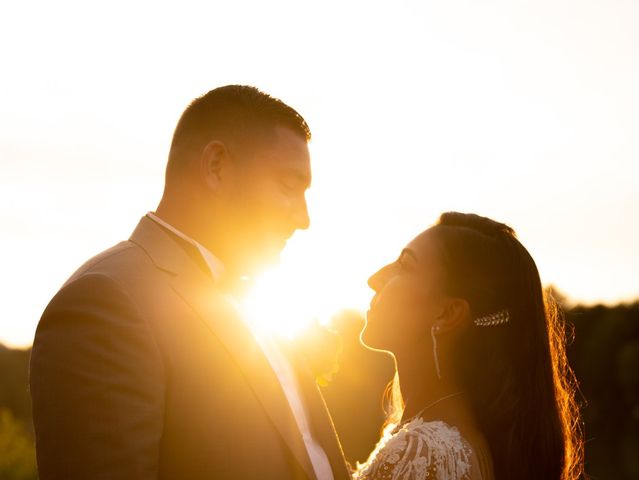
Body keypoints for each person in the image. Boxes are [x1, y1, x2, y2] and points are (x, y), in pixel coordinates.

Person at [30, 85, 351, 480]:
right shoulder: (106, 302)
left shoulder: (259, 308)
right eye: (288, 186)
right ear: (216, 165)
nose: (304, 220)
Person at [355, 212, 584, 480]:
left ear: (447, 313)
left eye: (405, 265)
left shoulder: (422, 453)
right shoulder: (458, 440)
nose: (374, 278)